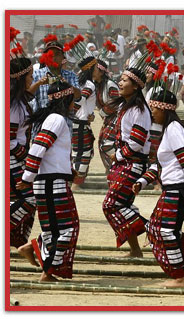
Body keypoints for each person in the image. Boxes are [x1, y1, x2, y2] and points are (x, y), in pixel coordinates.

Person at [132, 89, 184, 288]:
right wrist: (142, 182)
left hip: (179, 190)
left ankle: (179, 277)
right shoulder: (170, 129)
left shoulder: (174, 129)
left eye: (154, 108)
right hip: (175, 189)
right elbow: (161, 165)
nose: (152, 113)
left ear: (165, 109)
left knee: (164, 231)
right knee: (156, 229)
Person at [16, 81, 80, 282]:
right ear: (66, 100)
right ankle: (47, 270)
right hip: (51, 182)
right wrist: (28, 178)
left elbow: (50, 152)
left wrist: (69, 171)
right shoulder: (57, 119)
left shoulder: (55, 119)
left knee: (59, 227)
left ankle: (35, 251)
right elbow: (38, 148)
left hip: (54, 180)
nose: (74, 105)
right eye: (72, 100)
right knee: (66, 228)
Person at [102, 67, 151, 257]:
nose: (120, 83)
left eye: (125, 80)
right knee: (123, 206)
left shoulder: (139, 110)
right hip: (124, 163)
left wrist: (118, 155)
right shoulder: (125, 106)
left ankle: (156, 231)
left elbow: (137, 143)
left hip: (132, 163)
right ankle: (135, 249)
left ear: (136, 86)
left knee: (111, 205)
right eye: (120, 79)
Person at [10, 57, 38, 249]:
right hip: (13, 160)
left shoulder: (18, 102)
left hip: (16, 158)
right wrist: (25, 158)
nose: (33, 78)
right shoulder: (13, 106)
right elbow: (9, 139)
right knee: (29, 199)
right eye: (30, 75)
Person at [71, 57, 98, 187]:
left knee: (78, 152)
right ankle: (76, 183)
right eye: (96, 67)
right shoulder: (89, 84)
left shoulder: (78, 81)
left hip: (77, 122)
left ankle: (75, 181)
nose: (98, 70)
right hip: (80, 123)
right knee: (83, 153)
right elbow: (80, 100)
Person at [32, 40, 81, 111]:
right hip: (43, 120)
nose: (54, 58)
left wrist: (67, 85)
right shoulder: (36, 75)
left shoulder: (71, 76)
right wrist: (38, 83)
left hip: (64, 120)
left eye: (57, 54)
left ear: (63, 57)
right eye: (50, 55)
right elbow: (27, 97)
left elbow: (78, 96)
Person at [94, 59, 119, 172]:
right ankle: (112, 169)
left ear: (100, 71)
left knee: (107, 144)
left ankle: (116, 167)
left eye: (94, 69)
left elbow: (116, 102)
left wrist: (102, 112)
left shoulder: (110, 84)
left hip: (116, 118)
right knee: (102, 144)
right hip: (108, 119)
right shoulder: (97, 86)